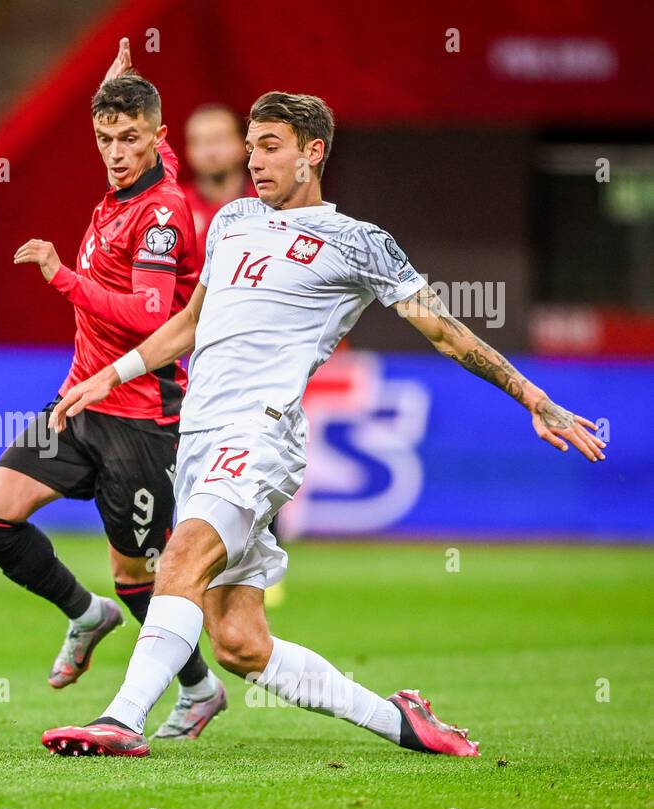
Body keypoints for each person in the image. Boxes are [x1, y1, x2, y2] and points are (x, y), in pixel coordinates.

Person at [40, 90, 605, 758]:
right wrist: (113, 373)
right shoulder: (231, 221)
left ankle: (121, 720)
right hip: (198, 438)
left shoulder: (359, 243)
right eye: (250, 147)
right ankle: (401, 720)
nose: (254, 160)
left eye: (270, 146)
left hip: (258, 434)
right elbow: (191, 323)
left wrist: (532, 396)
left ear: (313, 152)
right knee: (239, 644)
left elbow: (446, 333)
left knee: (183, 556)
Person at [0, 39, 226, 741]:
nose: (115, 151)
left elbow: (151, 314)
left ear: (158, 139)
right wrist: (119, 82)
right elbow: (134, 124)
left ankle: (200, 688)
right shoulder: (142, 172)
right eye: (105, 137)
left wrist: (60, 276)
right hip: (80, 399)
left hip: (142, 420)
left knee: (138, 578)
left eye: (130, 139)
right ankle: (84, 615)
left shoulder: (164, 214)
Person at [179, 103, 251, 246]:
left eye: (219, 139)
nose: (210, 151)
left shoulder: (269, 203)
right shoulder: (173, 206)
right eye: (199, 142)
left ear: (244, 145)